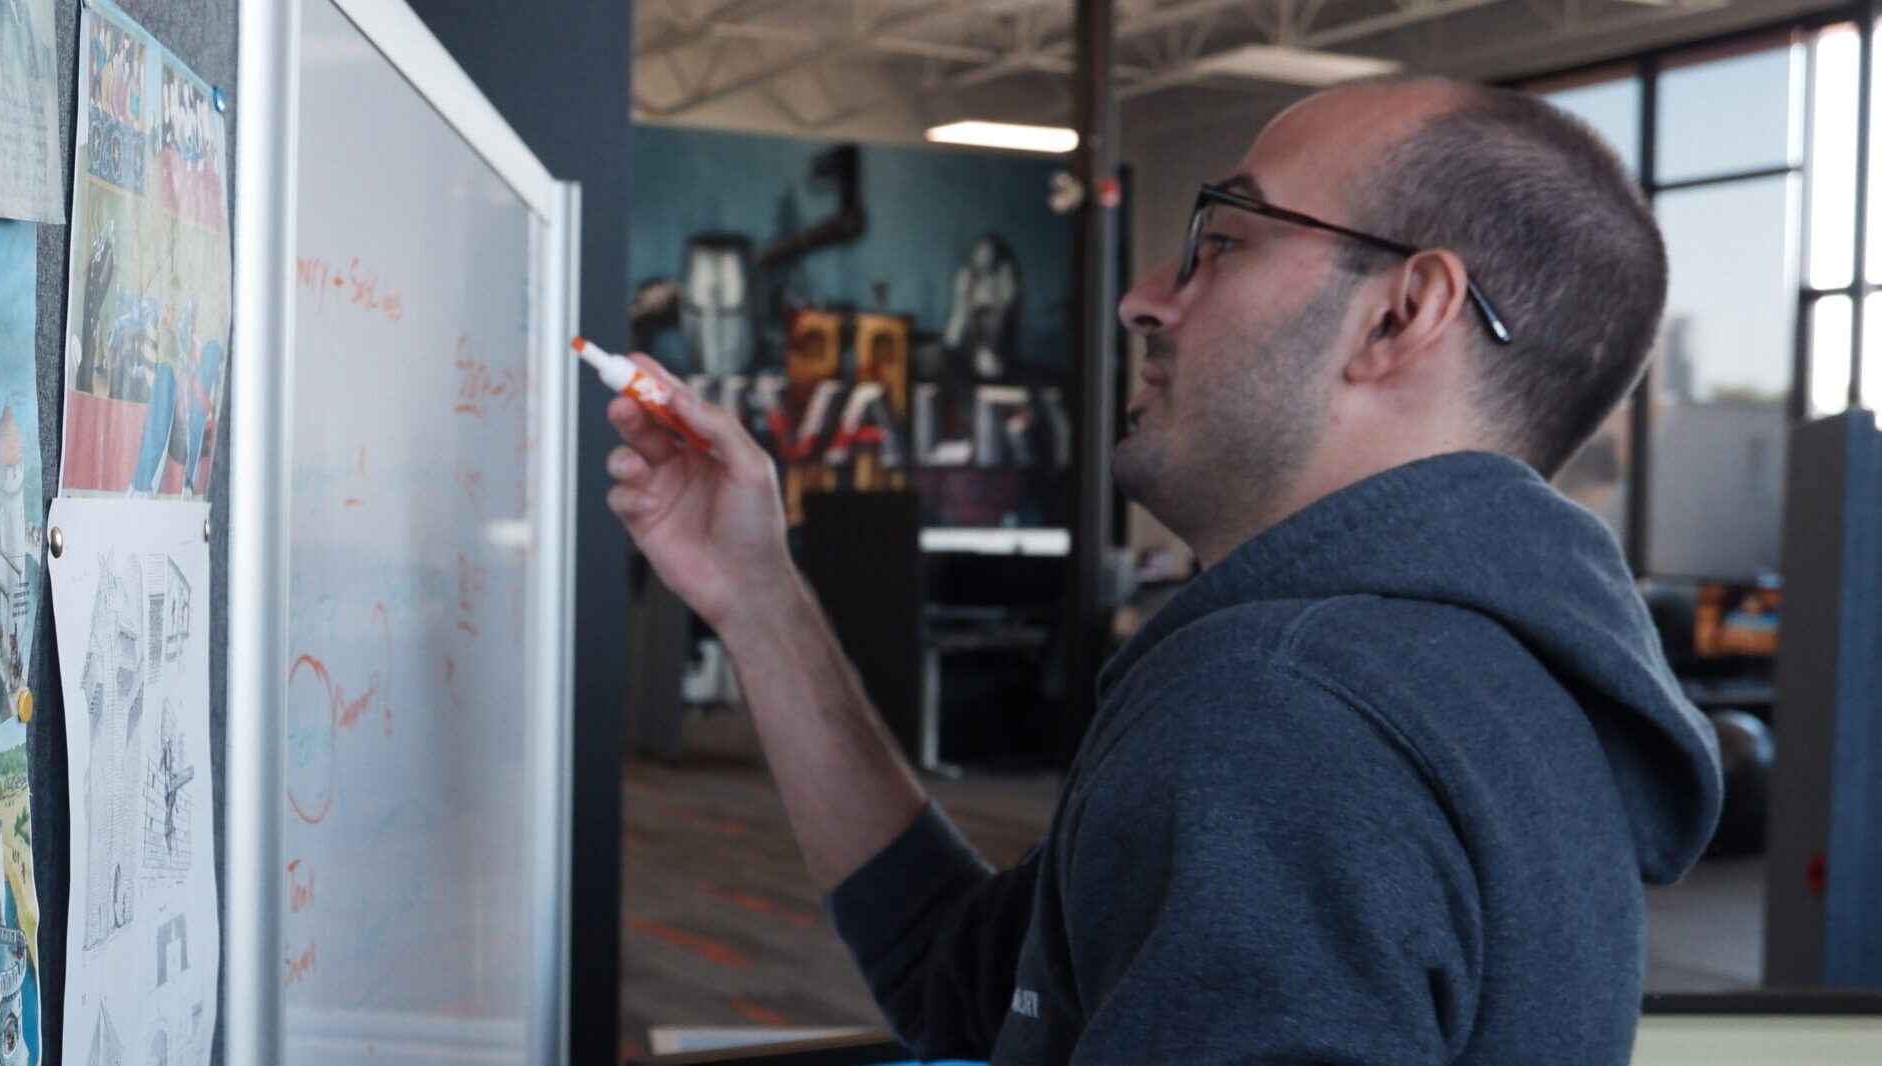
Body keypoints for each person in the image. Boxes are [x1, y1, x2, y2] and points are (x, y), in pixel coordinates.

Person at [602, 76, 1721, 1062]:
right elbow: (968, 984)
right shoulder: (1496, 683)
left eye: (1223, 239)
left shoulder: (1289, 709)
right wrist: (759, 595)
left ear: (1399, 313)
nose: (1144, 295)